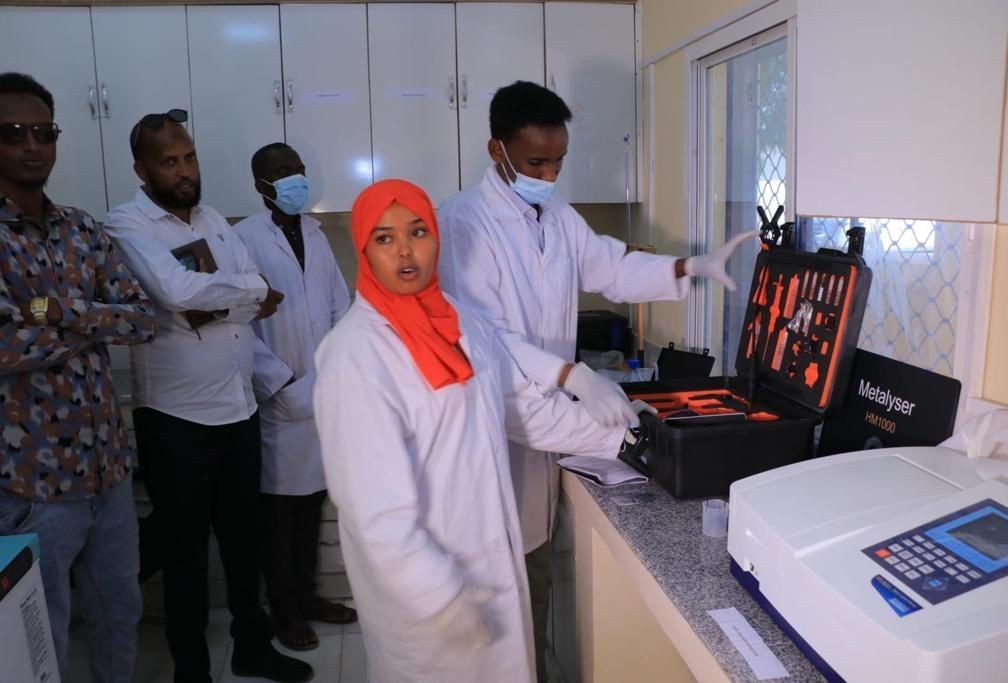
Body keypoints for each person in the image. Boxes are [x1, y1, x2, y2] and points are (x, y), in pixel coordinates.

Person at [437, 80, 758, 679]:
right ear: (495, 150)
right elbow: (487, 350)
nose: (550, 173)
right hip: (493, 438)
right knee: (493, 621)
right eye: (536, 161)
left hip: (544, 433)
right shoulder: (460, 226)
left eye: (558, 160)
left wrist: (690, 266)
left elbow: (609, 267)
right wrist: (591, 400)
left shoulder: (556, 217)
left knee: (529, 594)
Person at [313, 179, 646, 683]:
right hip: (428, 608)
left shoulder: (460, 321)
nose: (405, 250)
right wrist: (441, 599)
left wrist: (623, 436)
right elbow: (374, 513)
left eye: (418, 231)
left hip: (489, 567)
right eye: (384, 238)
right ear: (363, 247)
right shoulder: (354, 356)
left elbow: (522, 410)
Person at [104, 112, 311, 683]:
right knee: (185, 552)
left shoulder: (216, 220)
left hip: (239, 409)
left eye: (189, 157)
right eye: (169, 162)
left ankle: (252, 648)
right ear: (141, 169)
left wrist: (219, 300)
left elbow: (255, 297)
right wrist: (237, 295)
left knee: (245, 543)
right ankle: (191, 668)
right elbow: (175, 293)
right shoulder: (128, 223)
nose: (185, 170)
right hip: (176, 421)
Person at [0, 72, 158, 682]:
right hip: (32, 486)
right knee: (39, 635)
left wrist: (58, 311)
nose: (31, 145)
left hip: (108, 474)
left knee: (121, 616)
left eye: (43, 131)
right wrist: (93, 319)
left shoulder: (81, 228)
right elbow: (5, 341)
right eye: (12, 133)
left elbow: (142, 319)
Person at [235, 142, 357, 651]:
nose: (294, 179)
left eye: (299, 170)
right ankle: (285, 612)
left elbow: (337, 304)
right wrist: (281, 382)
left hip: (322, 390)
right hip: (278, 397)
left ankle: (307, 598)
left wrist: (332, 370)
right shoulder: (242, 238)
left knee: (310, 507)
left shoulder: (315, 232)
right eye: (282, 172)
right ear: (261, 184)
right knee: (279, 517)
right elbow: (241, 320)